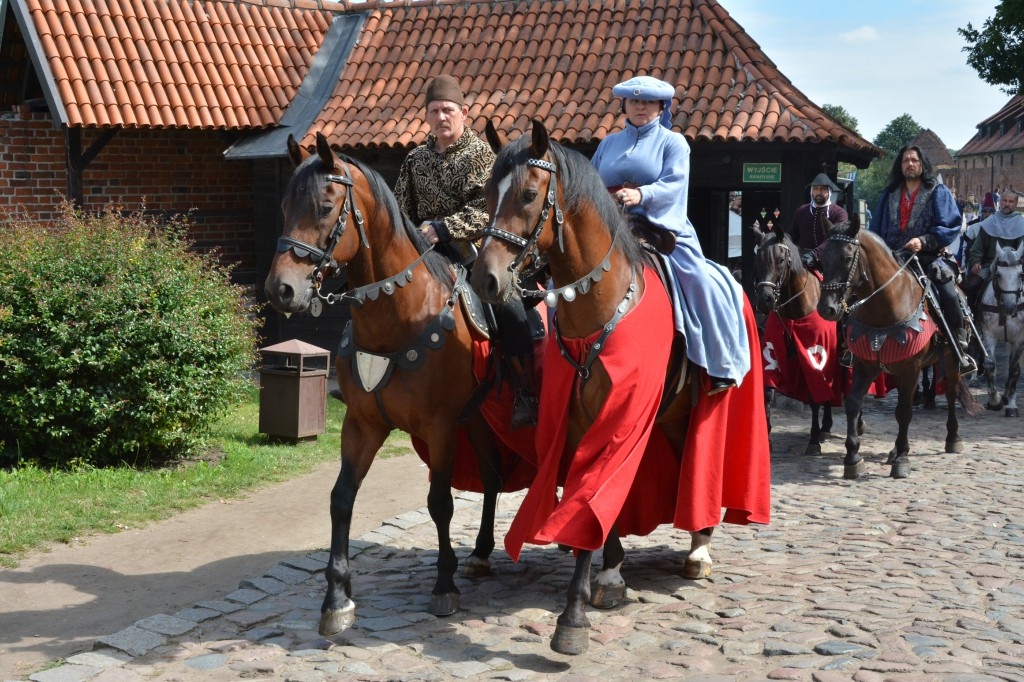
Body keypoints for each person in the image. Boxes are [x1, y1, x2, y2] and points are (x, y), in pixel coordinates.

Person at [394, 75, 538, 428]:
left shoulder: (483, 155)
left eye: (448, 110)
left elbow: (491, 210)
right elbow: (399, 209)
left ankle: (525, 391)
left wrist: (444, 228)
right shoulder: (415, 160)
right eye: (434, 111)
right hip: (420, 250)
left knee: (507, 302)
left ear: (464, 113)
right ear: (426, 116)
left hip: (472, 248)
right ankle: (366, 375)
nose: (441, 117)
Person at [591, 75, 749, 394]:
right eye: (634, 101)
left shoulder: (673, 143)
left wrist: (642, 195)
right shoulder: (607, 144)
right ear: (624, 105)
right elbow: (590, 183)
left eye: (648, 102)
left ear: (661, 107)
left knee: (699, 279)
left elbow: (675, 185)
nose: (640, 106)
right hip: (609, 225)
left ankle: (718, 364)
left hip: (658, 225)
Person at [869, 145, 976, 375]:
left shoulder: (937, 191)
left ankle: (958, 342)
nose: (909, 164)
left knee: (947, 291)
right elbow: (875, 228)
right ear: (900, 165)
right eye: (905, 160)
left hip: (927, 257)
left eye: (914, 160)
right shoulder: (889, 193)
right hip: (892, 259)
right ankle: (854, 346)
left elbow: (950, 224)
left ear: (922, 164)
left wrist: (924, 241)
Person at [966, 189, 1024, 306]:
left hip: (1016, 266)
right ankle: (971, 315)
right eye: (1005, 200)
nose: (1007, 204)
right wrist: (976, 262)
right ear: (1000, 202)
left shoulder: (1022, 224)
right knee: (972, 287)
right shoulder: (989, 222)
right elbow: (977, 248)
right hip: (990, 265)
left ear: (1015, 204)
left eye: (1011, 201)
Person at [789, 172, 849, 269]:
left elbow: (835, 240)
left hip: (829, 263)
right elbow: (792, 235)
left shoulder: (839, 213)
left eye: (822, 189)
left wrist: (814, 254)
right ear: (811, 191)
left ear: (829, 191)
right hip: (803, 262)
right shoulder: (801, 211)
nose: (818, 192)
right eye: (816, 189)